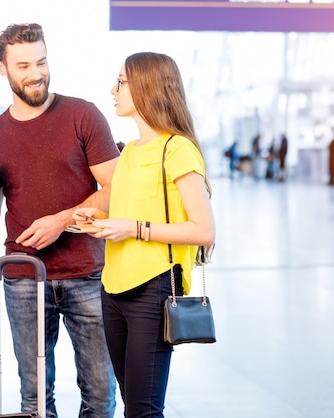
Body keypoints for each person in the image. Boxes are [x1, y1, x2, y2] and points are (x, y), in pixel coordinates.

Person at [0, 23, 118, 417]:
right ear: (3, 68)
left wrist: (61, 221)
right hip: (24, 279)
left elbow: (117, 191)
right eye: (23, 66)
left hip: (88, 274)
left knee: (100, 395)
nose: (35, 73)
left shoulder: (83, 116)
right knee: (34, 398)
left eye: (41, 61)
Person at [73, 52, 216, 417]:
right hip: (113, 288)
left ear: (146, 86)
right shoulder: (131, 153)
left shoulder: (178, 149)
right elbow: (133, 215)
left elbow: (204, 230)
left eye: (120, 82)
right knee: (133, 405)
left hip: (152, 289)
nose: (113, 90)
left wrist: (132, 228)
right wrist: (101, 219)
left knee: (142, 409)